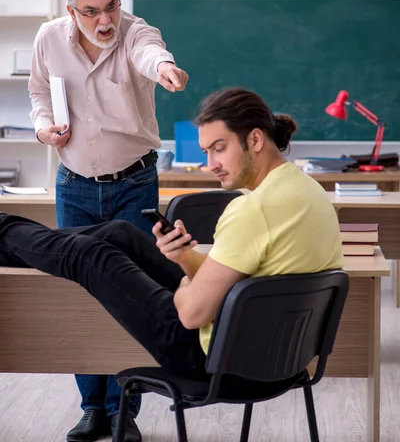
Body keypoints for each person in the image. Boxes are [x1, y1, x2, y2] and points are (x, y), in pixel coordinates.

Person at [0, 88, 343, 438]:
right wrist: (183, 259)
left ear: (255, 139)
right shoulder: (309, 192)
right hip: (279, 358)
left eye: (219, 148)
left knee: (91, 256)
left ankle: (2, 229)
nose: (211, 165)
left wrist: (185, 285)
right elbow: (246, 280)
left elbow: (191, 313)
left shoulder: (252, 211)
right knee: (121, 233)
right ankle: (8, 238)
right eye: (207, 151)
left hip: (210, 359)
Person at [28, 0, 188, 442]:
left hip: (134, 184)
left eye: (112, 7)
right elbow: (38, 91)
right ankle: (91, 408)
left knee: (131, 295)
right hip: (73, 185)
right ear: (71, 11)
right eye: (92, 11)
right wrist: (42, 129)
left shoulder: (136, 32)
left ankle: (124, 410)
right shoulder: (49, 39)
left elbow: (149, 54)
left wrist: (164, 70)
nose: (105, 21)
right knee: (79, 293)